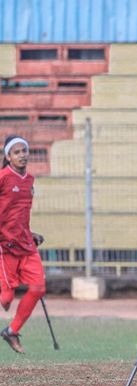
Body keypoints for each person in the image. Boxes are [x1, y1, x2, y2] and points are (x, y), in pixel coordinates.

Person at [0, 135, 47, 354]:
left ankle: (11, 331)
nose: (22, 155)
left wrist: (31, 232)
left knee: (38, 288)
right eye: (17, 152)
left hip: (26, 244)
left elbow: (20, 215)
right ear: (8, 157)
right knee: (6, 299)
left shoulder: (29, 180)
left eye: (24, 151)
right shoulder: (3, 178)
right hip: (6, 245)